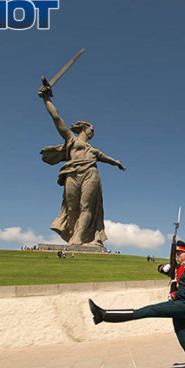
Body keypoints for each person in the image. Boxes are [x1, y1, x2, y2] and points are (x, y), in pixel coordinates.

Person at [88, 240, 185, 368]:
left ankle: (105, 315)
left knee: (147, 311)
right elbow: (159, 268)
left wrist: (176, 295)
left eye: (179, 253)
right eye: (176, 253)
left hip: (182, 305)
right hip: (178, 307)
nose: (177, 256)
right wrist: (164, 267)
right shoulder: (179, 269)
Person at [38, 84, 126, 247]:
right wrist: (46, 98)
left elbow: (106, 158)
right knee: (71, 208)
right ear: (85, 128)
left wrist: (117, 163)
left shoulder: (94, 150)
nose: (93, 133)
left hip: (90, 175)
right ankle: (73, 234)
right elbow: (56, 118)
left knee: (86, 207)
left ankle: (78, 238)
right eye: (92, 130)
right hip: (72, 173)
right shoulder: (71, 140)